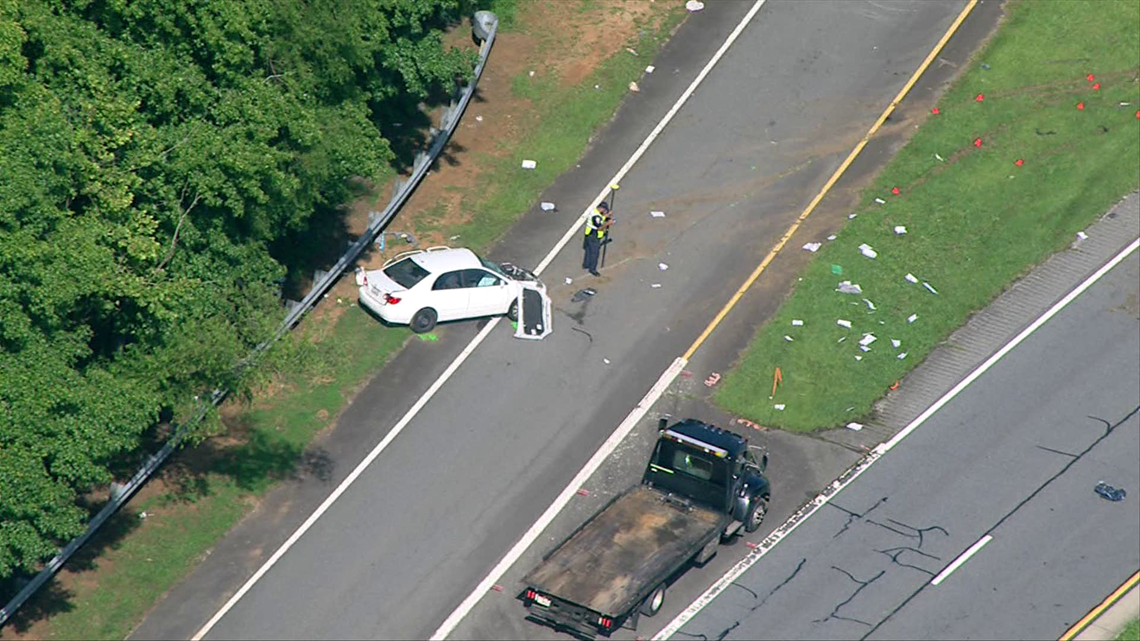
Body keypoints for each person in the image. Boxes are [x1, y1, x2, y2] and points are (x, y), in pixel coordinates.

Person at [582, 201, 613, 276]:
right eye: (605, 210)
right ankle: (592, 269)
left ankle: (586, 264)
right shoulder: (596, 217)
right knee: (594, 253)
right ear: (601, 208)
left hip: (589, 234)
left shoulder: (595, 212)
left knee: (588, 251)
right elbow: (600, 228)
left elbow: (600, 219)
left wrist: (606, 216)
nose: (605, 211)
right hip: (594, 236)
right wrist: (607, 224)